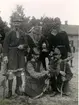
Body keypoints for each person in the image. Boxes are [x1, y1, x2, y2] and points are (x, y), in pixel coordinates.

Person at [3, 17, 28, 98]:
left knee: (19, 73)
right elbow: (5, 45)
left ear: (20, 24)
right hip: (11, 55)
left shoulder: (23, 33)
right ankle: (10, 91)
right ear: (12, 23)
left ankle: (17, 89)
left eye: (18, 22)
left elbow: (26, 44)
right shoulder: (9, 33)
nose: (16, 24)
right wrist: (5, 56)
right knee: (10, 73)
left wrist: (23, 46)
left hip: (20, 55)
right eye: (15, 22)